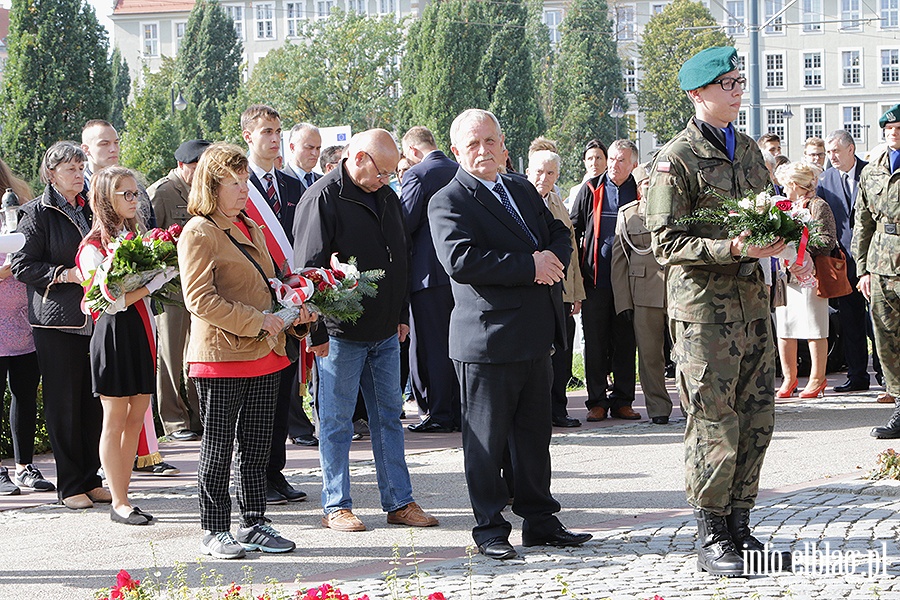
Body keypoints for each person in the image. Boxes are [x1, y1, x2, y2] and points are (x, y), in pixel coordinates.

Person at [646, 46, 802, 576]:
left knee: (758, 415)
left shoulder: (751, 151)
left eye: (740, 82)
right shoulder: (676, 158)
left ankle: (741, 524)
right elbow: (664, 243)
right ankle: (711, 531)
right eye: (729, 83)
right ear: (698, 94)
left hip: (754, 305)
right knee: (714, 420)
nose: (739, 91)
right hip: (704, 316)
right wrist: (731, 249)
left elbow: (769, 217)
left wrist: (788, 246)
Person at [429, 108, 591, 561]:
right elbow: (461, 261)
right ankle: (490, 528)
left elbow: (559, 230)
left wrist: (551, 261)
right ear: (457, 149)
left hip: (536, 335)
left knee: (534, 437)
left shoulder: (520, 187)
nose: (484, 151)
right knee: (486, 441)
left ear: (504, 146)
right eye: (474, 143)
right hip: (488, 340)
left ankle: (540, 520)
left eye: (491, 142)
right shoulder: (449, 200)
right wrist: (531, 267)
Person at [293, 128, 438, 533]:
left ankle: (399, 501)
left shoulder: (387, 197)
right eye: (384, 172)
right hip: (339, 335)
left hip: (386, 331)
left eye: (393, 173)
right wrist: (316, 332)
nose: (387, 180)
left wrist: (401, 313)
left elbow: (399, 258)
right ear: (359, 159)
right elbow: (308, 272)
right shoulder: (322, 198)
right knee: (337, 422)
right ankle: (335, 504)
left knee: (389, 417)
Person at [178, 142, 316, 558]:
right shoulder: (198, 231)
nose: (244, 190)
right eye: (234, 183)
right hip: (221, 357)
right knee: (218, 448)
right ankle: (214, 528)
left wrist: (294, 307)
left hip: (264, 352)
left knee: (258, 445)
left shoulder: (249, 226)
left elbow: (268, 284)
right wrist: (258, 320)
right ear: (212, 186)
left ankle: (255, 522)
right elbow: (199, 299)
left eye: (245, 181)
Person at [11, 141, 111, 510]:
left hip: (95, 316)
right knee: (64, 403)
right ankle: (69, 485)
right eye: (70, 168)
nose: (78, 173)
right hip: (57, 322)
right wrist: (65, 274)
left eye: (81, 165)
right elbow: (22, 266)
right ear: (50, 173)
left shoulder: (92, 207)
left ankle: (90, 477)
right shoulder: (36, 212)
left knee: (93, 402)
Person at [76, 167, 177, 525]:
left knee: (136, 417)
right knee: (115, 419)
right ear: (106, 198)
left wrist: (161, 272)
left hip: (140, 329)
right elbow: (107, 300)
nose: (135, 200)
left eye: (137, 193)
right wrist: (152, 284)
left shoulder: (139, 238)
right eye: (127, 194)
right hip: (113, 332)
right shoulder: (92, 247)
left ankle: (126, 494)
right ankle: (118, 501)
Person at [240, 104, 312, 503]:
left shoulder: (290, 185)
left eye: (278, 131)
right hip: (254, 302)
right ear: (248, 135)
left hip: (289, 299)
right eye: (266, 131)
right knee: (257, 395)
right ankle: (255, 475)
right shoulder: (237, 183)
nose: (274, 138)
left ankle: (276, 472)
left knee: (284, 388)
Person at [570, 139, 641, 422]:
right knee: (596, 342)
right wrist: (575, 272)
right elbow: (573, 228)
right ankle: (597, 401)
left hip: (630, 280)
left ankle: (623, 400)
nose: (613, 164)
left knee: (625, 341)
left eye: (621, 160)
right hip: (596, 279)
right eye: (611, 158)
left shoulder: (640, 190)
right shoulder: (591, 188)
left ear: (633, 164)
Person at [148, 139, 211, 442]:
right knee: (171, 355)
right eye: (198, 167)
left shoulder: (205, 190)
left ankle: (201, 417)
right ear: (183, 166)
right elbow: (148, 236)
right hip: (171, 288)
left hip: (200, 285)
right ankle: (174, 421)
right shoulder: (162, 192)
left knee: (198, 353)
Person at [400, 125, 461, 433]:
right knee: (459, 344)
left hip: (427, 274)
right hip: (461, 272)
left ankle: (439, 412)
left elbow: (405, 222)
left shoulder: (417, 175)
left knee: (434, 346)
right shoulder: (459, 169)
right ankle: (461, 410)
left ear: (412, 151)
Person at [0, 160, 53, 496]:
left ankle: (24, 466)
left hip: (23, 319)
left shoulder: (17, 207)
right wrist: (8, 269)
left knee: (25, 393)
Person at [818, 130, 882, 396]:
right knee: (851, 318)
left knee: (878, 319)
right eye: (828, 151)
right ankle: (857, 375)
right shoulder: (825, 179)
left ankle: (884, 374)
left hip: (874, 258)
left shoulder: (871, 173)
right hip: (843, 260)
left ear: (851, 149)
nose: (831, 156)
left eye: (835, 151)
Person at [526, 149, 585, 428]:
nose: (544, 178)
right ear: (528, 172)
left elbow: (571, 253)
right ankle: (539, 411)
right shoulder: (521, 201)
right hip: (536, 292)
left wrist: (576, 293)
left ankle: (558, 409)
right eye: (538, 171)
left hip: (562, 291)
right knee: (539, 354)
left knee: (562, 351)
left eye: (550, 173)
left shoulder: (558, 203)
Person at [611, 164, 673, 425]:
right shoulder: (628, 215)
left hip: (677, 292)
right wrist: (623, 302)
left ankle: (695, 405)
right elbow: (618, 262)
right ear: (639, 188)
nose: (651, 186)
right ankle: (658, 408)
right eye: (646, 182)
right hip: (644, 295)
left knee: (688, 353)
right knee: (649, 356)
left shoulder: (676, 210)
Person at [772, 162, 837, 399]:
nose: (783, 191)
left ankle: (817, 378)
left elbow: (828, 240)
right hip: (786, 275)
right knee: (785, 327)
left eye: (786, 186)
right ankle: (789, 379)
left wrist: (799, 249)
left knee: (814, 327)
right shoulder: (784, 206)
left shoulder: (819, 206)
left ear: (795, 185)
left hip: (811, 275)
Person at [855, 104, 900, 439]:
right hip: (881, 262)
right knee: (885, 337)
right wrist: (862, 270)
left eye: (898, 128)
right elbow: (863, 221)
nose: (894, 134)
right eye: (889, 129)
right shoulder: (872, 171)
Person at [566, 139, 606, 210]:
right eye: (590, 159)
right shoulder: (576, 191)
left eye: (598, 158)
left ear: (607, 161)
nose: (594, 163)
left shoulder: (613, 188)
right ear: (585, 162)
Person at [283, 123, 323, 194]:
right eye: (309, 148)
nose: (315, 153)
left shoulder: (323, 182)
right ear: (292, 147)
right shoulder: (280, 182)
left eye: (318, 148)